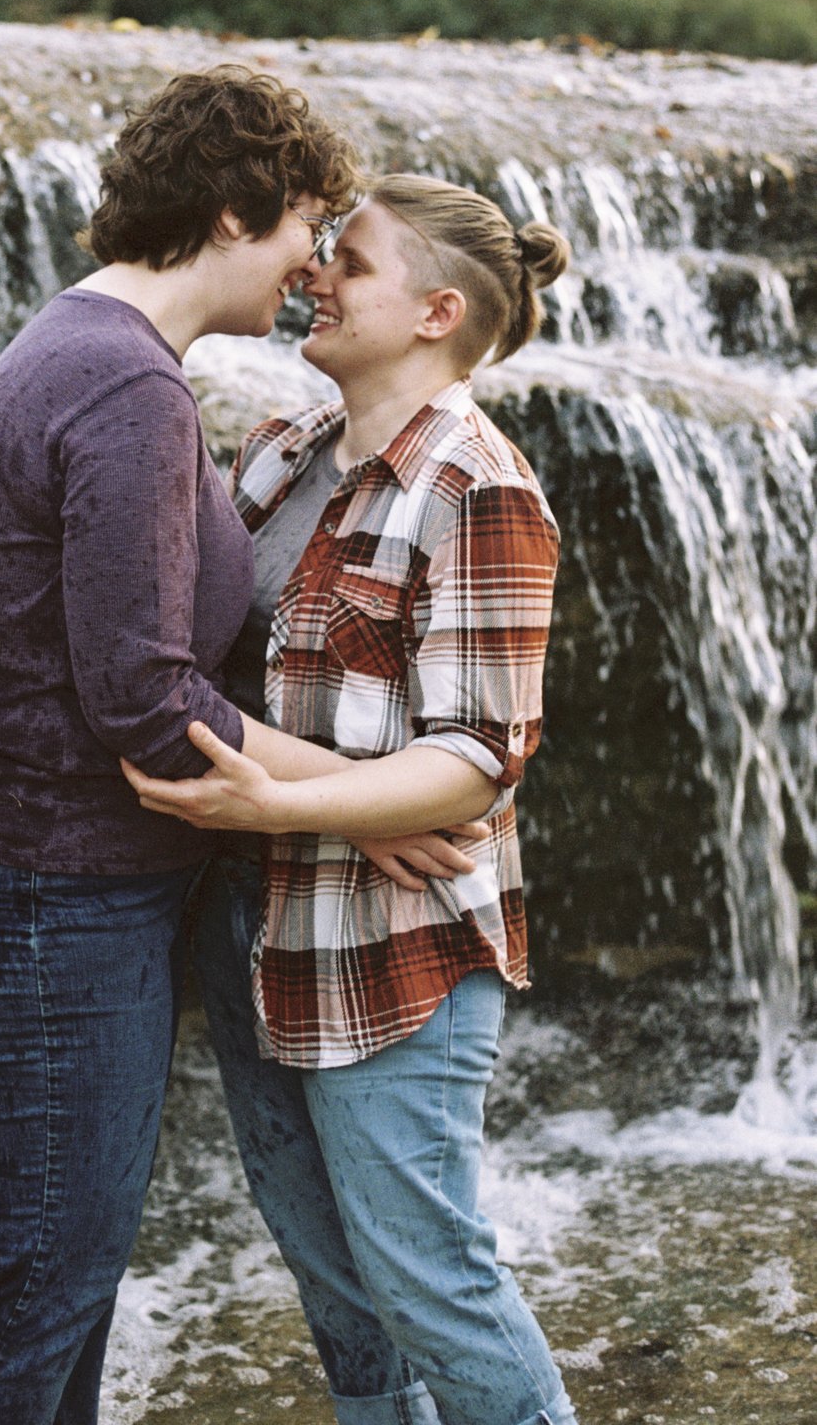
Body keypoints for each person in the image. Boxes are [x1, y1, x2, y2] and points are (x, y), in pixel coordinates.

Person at [0, 65, 365, 1425]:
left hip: (22, 870)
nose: (313, 263)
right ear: (232, 211)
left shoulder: (94, 350)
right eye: (304, 225)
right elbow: (146, 700)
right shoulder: (125, 385)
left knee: (63, 1281)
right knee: (45, 1283)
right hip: (34, 880)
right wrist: (379, 799)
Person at [125, 173, 579, 1425]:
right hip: (251, 926)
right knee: (335, 1287)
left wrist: (284, 807)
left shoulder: (479, 488)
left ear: (437, 312)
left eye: (351, 261)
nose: (314, 274)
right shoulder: (280, 453)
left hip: (396, 946)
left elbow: (478, 758)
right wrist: (321, 806)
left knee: (430, 1281)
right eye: (322, 252)